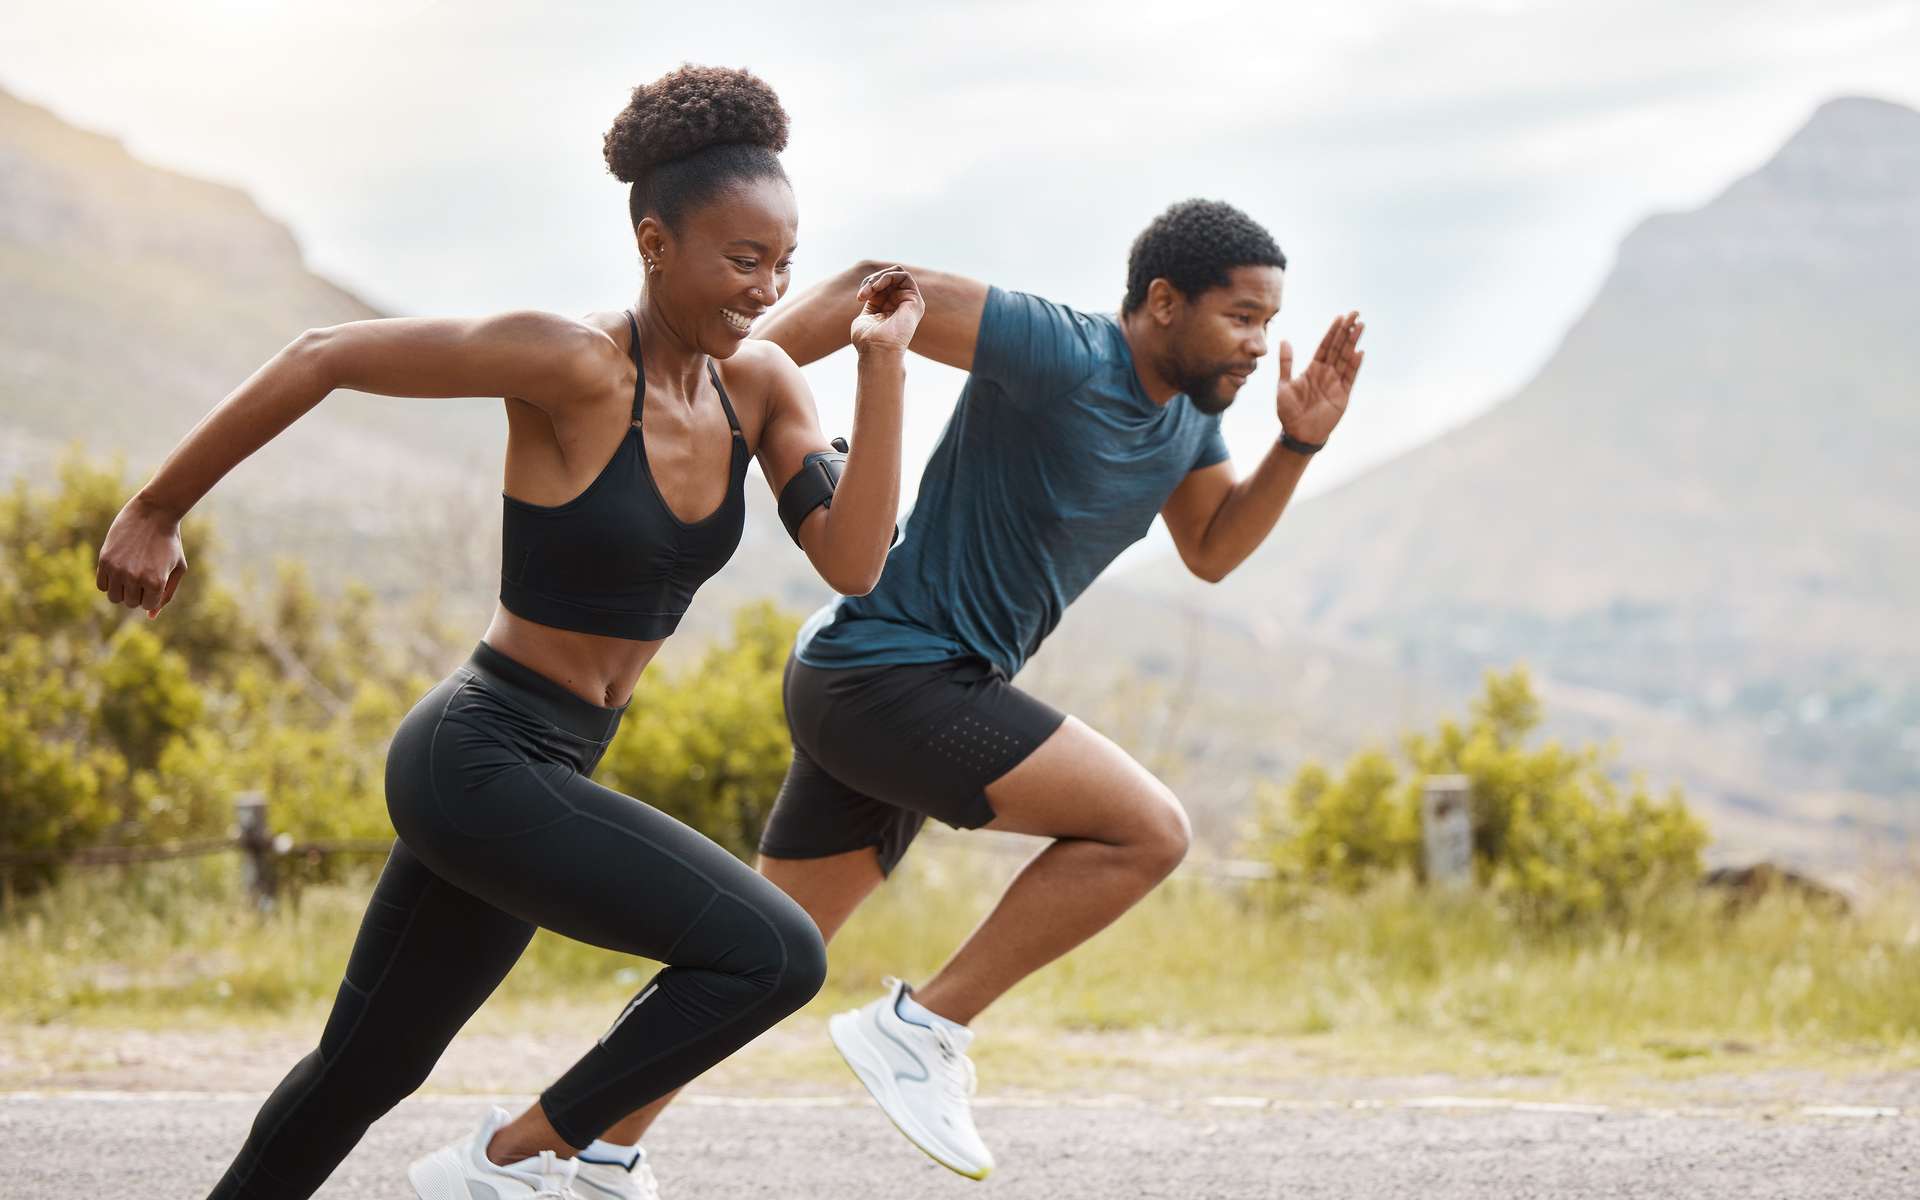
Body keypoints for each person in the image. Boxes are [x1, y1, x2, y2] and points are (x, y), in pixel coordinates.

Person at [93, 65, 924, 1200]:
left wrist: (881, 372)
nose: (767, 286)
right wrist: (155, 507)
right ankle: (513, 1161)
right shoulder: (570, 363)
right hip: (478, 754)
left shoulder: (765, 386)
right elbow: (321, 354)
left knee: (363, 1069)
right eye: (742, 260)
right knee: (776, 954)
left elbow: (855, 559)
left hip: (550, 766)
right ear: (654, 244)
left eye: (783, 260)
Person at [594, 199, 1367, 1181]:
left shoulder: (1186, 427)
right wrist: (705, 402)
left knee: (757, 962)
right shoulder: (1062, 349)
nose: (1261, 345)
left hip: (885, 688)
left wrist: (1296, 446)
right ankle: (923, 1028)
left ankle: (574, 1149)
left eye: (1269, 320)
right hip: (896, 679)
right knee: (1148, 832)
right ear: (1164, 303)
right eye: (1243, 317)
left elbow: (1212, 549)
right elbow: (871, 285)